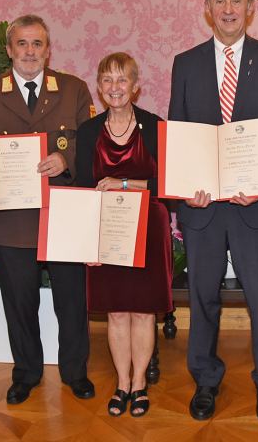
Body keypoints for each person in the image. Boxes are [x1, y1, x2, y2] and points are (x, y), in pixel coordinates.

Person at [168, 0, 258, 422]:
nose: (228, 9)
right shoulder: (186, 63)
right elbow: (178, 133)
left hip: (253, 207)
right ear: (207, 8)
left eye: (236, 0)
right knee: (203, 298)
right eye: (219, 0)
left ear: (250, 8)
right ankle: (205, 379)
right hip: (203, 209)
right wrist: (186, 188)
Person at [0, 14, 96, 405]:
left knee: (71, 301)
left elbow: (88, 146)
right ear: (8, 50)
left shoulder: (74, 89)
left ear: (48, 49)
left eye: (37, 44)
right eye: (21, 44)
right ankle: (25, 373)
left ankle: (75, 372)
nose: (29, 52)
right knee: (19, 302)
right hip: (12, 219)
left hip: (62, 214)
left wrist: (65, 157)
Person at [75, 52, 172, 417]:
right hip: (106, 229)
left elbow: (166, 184)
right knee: (116, 313)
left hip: (149, 228)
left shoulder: (154, 125)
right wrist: (86, 240)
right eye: (107, 80)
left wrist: (125, 182)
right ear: (99, 87)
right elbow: (84, 188)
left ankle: (141, 382)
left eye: (122, 80)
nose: (115, 87)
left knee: (144, 313)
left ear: (135, 86)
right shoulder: (87, 132)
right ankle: (122, 383)